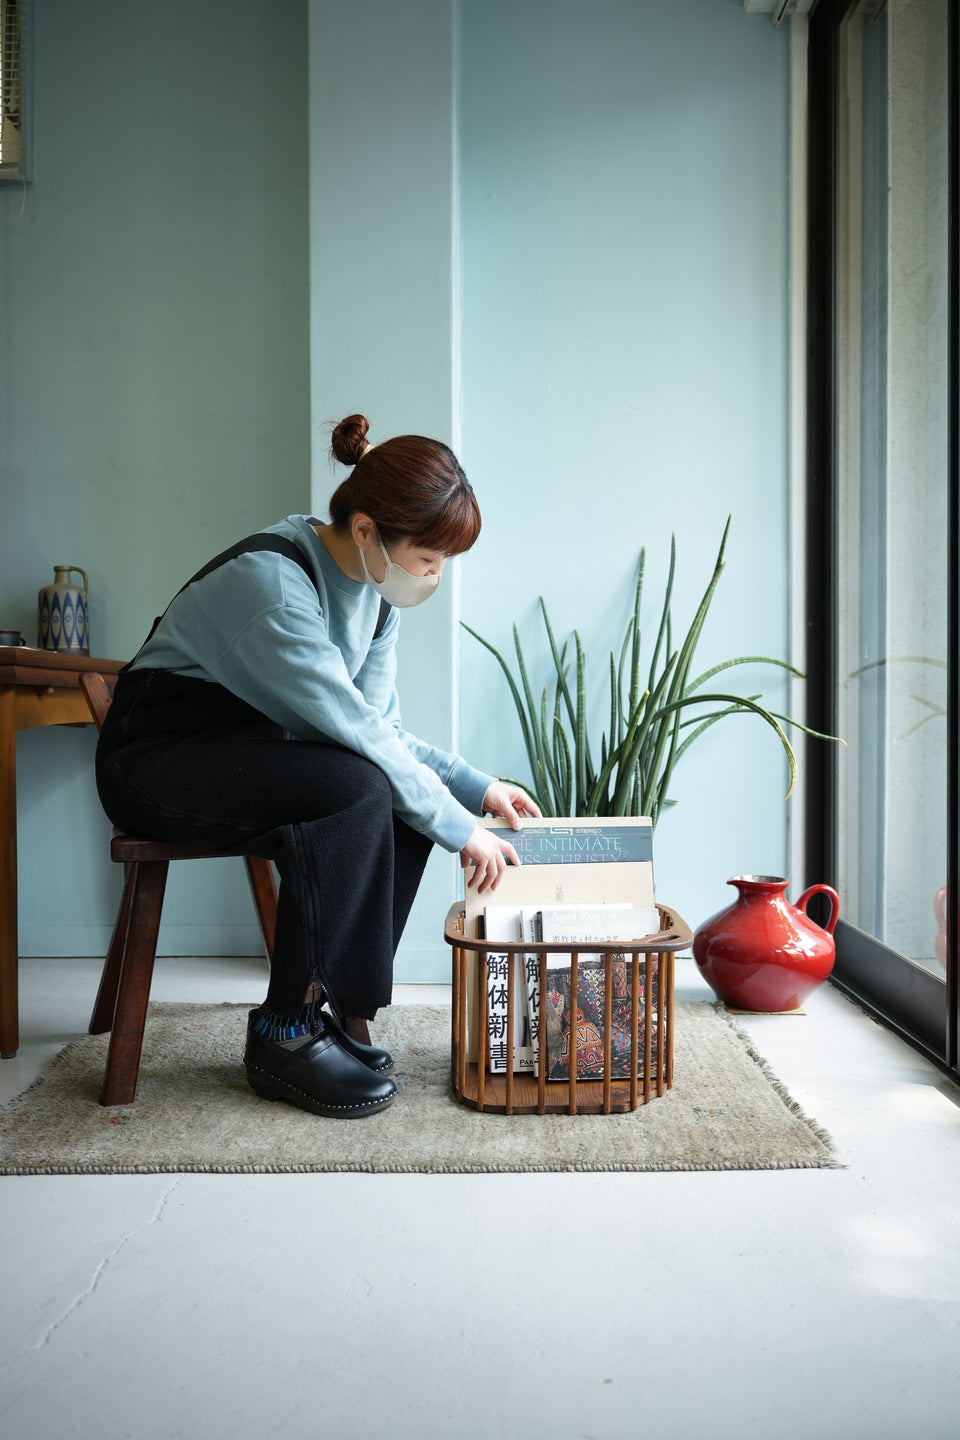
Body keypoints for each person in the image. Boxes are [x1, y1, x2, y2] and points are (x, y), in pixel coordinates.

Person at [95, 414, 540, 1119]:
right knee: (357, 787)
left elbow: (382, 733)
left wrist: (478, 788)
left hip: (251, 755)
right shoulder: (273, 585)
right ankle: (285, 1032)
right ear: (366, 529)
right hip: (158, 759)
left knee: (389, 791)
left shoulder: (378, 601)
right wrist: (463, 830)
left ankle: (332, 1010)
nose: (435, 575)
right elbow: (355, 734)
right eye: (429, 557)